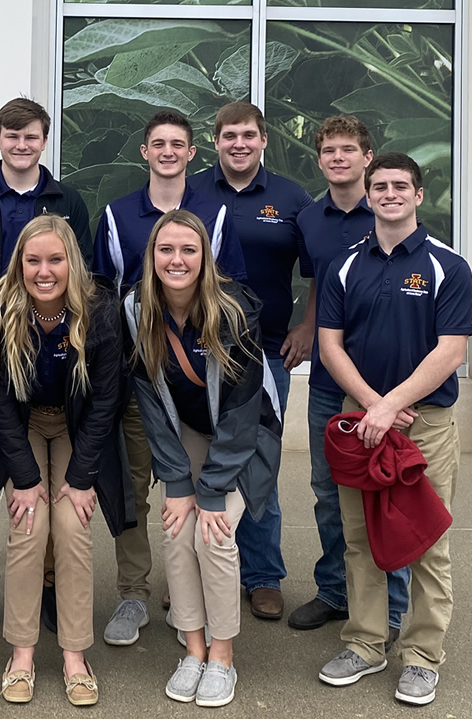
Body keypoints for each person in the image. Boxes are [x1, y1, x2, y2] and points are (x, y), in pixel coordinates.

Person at [316, 153, 472, 705]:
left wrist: (392, 405)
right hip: (359, 423)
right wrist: (373, 406)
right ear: (368, 195)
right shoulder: (344, 265)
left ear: (417, 195)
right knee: (359, 538)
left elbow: (451, 349)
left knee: (427, 540)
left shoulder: (448, 266)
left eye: (400, 186)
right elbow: (330, 345)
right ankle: (365, 644)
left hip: (425, 424)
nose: (389, 193)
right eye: (380, 186)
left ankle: (422, 656)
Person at [94, 109, 248, 646]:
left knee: (207, 496)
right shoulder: (117, 215)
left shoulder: (217, 212)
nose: (166, 151)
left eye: (176, 144)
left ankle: (195, 599)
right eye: (157, 142)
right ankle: (134, 593)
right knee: (137, 487)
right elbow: (104, 297)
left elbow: (233, 293)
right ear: (144, 151)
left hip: (204, 384)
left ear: (191, 153)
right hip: (141, 379)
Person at [0, 98, 93, 637]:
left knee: (47, 488)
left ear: (44, 139)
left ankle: (49, 583)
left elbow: (84, 271)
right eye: (12, 135)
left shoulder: (68, 200)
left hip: (51, 360)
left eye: (31, 135)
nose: (21, 144)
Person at [123, 209, 281, 707]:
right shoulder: (136, 309)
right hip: (187, 430)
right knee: (175, 527)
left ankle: (222, 655)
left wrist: (209, 490)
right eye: (165, 249)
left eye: (189, 250)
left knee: (213, 534)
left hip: (245, 434)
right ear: (152, 256)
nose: (176, 259)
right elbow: (150, 401)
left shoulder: (235, 309)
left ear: (205, 257)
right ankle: (192, 648)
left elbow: (241, 408)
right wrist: (176, 481)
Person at [0, 215, 125, 706]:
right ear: (19, 263)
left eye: (56, 260)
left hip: (74, 426)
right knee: (28, 524)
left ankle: (74, 655)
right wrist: (22, 477)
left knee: (72, 525)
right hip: (21, 428)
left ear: (73, 263)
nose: (45, 271)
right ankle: (21, 655)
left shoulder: (100, 310)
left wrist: (82, 478)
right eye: (33, 260)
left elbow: (105, 401)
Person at [190, 101, 313, 620]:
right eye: (229, 136)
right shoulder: (193, 192)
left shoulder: (290, 197)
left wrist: (306, 325)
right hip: (197, 348)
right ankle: (197, 569)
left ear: (264, 140)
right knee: (200, 459)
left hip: (266, 349)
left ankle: (262, 574)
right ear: (215, 141)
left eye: (248, 135)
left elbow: (319, 270)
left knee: (259, 460)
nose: (238, 143)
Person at [290, 115, 410, 640]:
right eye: (329, 151)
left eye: (348, 150)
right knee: (327, 488)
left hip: (386, 382)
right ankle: (336, 590)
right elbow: (321, 287)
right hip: (326, 381)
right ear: (320, 160)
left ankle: (394, 605)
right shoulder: (310, 219)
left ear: (367, 157)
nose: (338, 158)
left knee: (387, 492)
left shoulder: (386, 209)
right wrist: (307, 328)